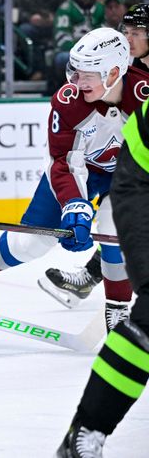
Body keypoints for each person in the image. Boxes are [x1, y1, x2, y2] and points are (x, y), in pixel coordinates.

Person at [0, 27, 149, 331]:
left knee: (116, 234)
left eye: (88, 75)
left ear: (114, 72)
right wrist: (75, 206)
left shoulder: (144, 97)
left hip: (127, 177)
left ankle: (118, 312)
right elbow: (65, 161)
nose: (77, 81)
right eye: (76, 72)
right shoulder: (69, 102)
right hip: (79, 171)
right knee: (31, 242)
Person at [55, 76, 149, 458]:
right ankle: (86, 431)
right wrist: (142, 267)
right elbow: (132, 186)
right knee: (146, 326)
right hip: (138, 199)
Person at [39, 2, 144, 307]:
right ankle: (91, 278)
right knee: (119, 226)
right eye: (127, 31)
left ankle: (92, 279)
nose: (129, 38)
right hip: (125, 169)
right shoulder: (125, 69)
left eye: (137, 33)